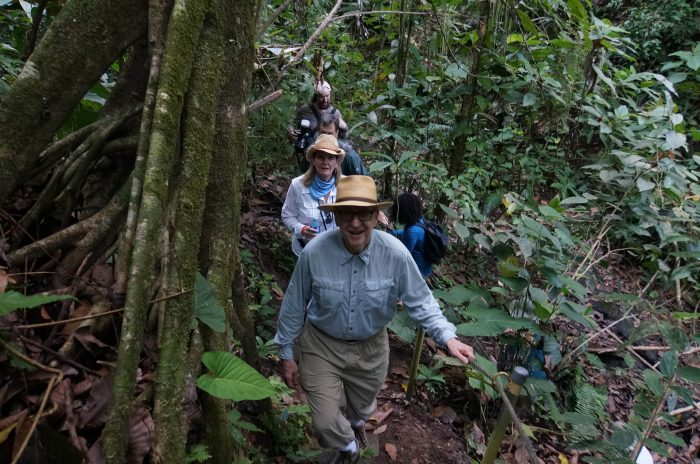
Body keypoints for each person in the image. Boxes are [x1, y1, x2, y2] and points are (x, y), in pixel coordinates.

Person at [274, 176, 475, 464]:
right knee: (324, 422)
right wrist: (286, 353)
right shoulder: (315, 252)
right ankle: (348, 448)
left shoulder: (395, 254)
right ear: (337, 215)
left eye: (364, 213)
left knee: (362, 408)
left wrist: (448, 337)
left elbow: (421, 300)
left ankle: (356, 425)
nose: (355, 222)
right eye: (347, 213)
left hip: (371, 347)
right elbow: (294, 304)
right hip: (321, 344)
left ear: (375, 216)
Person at [281, 134, 344, 257]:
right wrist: (302, 229)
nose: (325, 162)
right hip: (305, 252)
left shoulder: (346, 185)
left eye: (330, 158)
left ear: (336, 162)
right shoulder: (297, 185)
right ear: (313, 160)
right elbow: (287, 216)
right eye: (321, 157)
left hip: (335, 253)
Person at [384, 193, 432, 278]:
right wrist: (394, 232)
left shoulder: (411, 231)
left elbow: (403, 256)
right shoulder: (420, 220)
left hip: (417, 274)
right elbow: (409, 232)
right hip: (425, 269)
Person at [288, 80, 348, 144]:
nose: (325, 100)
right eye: (322, 96)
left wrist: (345, 127)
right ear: (316, 96)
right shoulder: (305, 110)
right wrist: (291, 132)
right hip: (308, 148)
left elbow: (343, 136)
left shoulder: (336, 113)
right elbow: (292, 124)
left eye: (327, 96)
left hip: (329, 148)